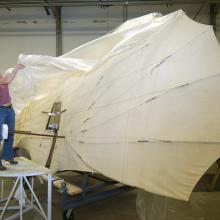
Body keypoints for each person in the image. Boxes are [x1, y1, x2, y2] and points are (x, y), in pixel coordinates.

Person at [0, 64, 24, 170]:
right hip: (1, 110)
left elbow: (7, 79)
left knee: (10, 133)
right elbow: (7, 81)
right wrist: (16, 69)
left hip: (10, 109)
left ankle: (8, 157)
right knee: (0, 135)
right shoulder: (4, 80)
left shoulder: (2, 76)